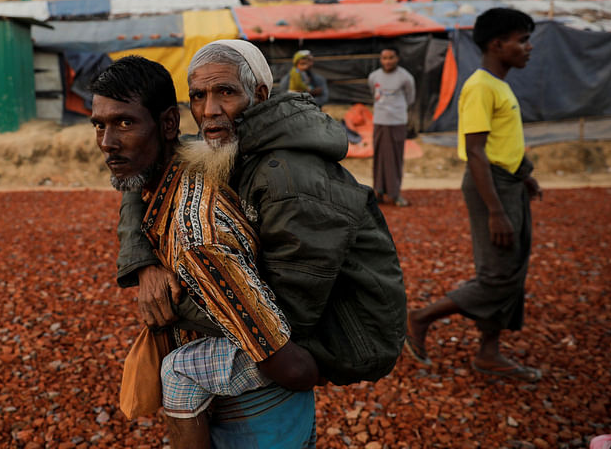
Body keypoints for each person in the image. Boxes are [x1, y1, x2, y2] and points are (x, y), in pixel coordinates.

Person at [117, 40, 407, 446]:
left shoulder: (287, 176)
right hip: (287, 327)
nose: (209, 110)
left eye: (226, 92)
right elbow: (145, 171)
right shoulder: (232, 145)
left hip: (339, 336)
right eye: (198, 96)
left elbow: (285, 318)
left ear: (260, 95)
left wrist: (173, 300)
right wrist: (145, 266)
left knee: (179, 370)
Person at [90, 56, 318, 449]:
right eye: (99, 125)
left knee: (178, 372)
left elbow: (283, 359)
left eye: (124, 123)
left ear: (166, 124)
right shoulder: (175, 169)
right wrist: (144, 265)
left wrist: (325, 363)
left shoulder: (197, 233)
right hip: (231, 397)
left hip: (259, 414)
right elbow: (132, 190)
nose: (108, 143)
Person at [406, 8, 543, 382]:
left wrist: (525, 176)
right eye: (522, 40)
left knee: (512, 270)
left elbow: (504, 143)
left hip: (508, 183)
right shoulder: (481, 86)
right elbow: (477, 152)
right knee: (497, 274)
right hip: (491, 187)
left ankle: (489, 352)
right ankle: (420, 318)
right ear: (497, 45)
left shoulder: (500, 84)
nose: (529, 48)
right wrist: (496, 211)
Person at [368, 47, 415, 207]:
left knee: (395, 158)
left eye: (391, 58)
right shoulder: (374, 76)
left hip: (397, 122)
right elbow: (373, 93)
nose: (387, 61)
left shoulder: (405, 77)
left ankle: (395, 194)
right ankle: (379, 191)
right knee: (379, 157)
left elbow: (410, 98)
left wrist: (396, 111)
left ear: (397, 58)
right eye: (384, 58)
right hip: (379, 121)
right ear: (380, 60)